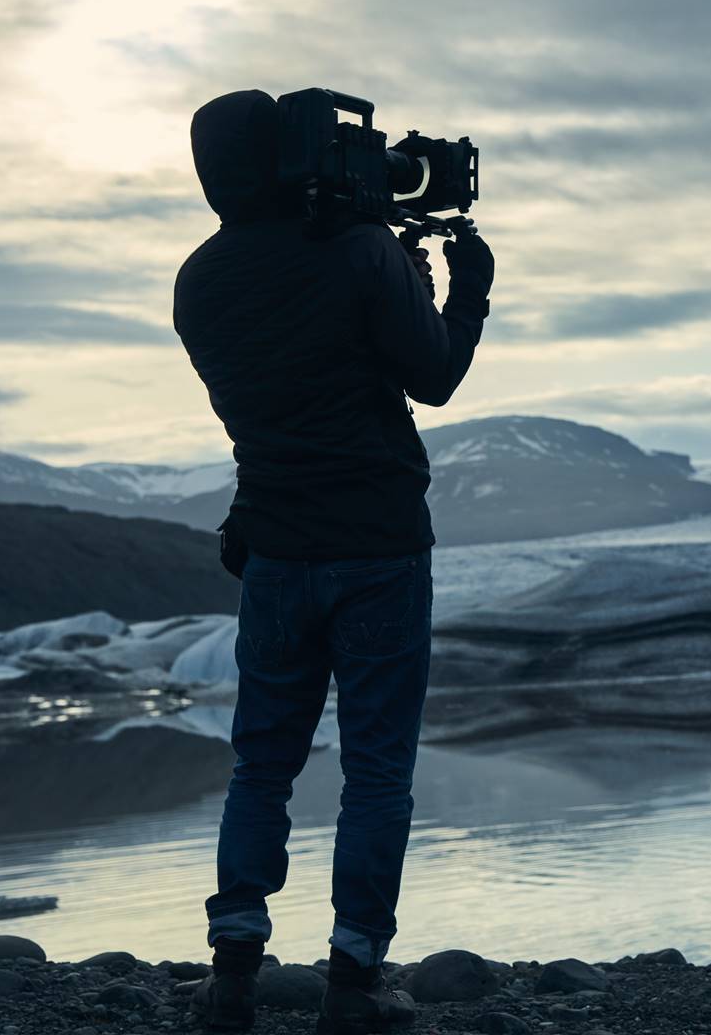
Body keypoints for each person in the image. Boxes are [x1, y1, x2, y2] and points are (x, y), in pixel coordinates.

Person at [172, 89, 494, 1032]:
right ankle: (354, 979)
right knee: (378, 771)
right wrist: (460, 285)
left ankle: (234, 970)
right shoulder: (354, 251)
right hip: (380, 550)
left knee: (259, 767)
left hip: (275, 550)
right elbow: (432, 375)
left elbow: (279, 403)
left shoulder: (199, 280)